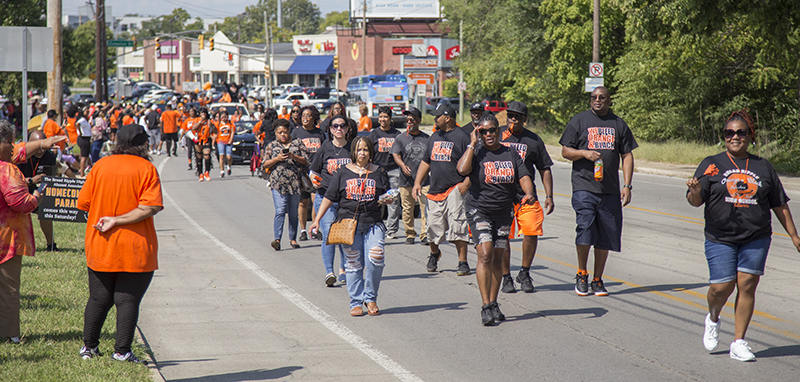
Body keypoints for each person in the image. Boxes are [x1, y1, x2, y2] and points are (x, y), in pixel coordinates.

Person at [686, 110, 800, 362]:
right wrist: (695, 191)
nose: (735, 137)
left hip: (756, 236)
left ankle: (739, 341)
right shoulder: (711, 164)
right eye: (729, 133)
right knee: (720, 287)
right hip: (720, 237)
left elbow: (779, 203)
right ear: (724, 137)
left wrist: (794, 235)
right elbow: (695, 201)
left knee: (747, 285)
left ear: (750, 136)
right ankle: (713, 318)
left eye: (741, 132)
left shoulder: (763, 166)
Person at [77, 123, 162, 363]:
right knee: (127, 299)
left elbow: (83, 203)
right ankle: (122, 351)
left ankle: (88, 347)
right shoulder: (147, 169)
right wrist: (118, 219)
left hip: (100, 242)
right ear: (142, 144)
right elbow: (151, 207)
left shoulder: (100, 166)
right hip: (135, 245)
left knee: (98, 298)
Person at [457, 113, 535, 325]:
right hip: (479, 209)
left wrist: (528, 193)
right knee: (485, 254)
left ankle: (493, 302)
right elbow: (462, 169)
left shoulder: (510, 153)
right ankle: (485, 306)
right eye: (483, 131)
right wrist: (472, 145)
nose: (489, 134)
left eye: (492, 130)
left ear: (499, 131)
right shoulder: (476, 152)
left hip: (503, 211)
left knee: (498, 258)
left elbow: (524, 176)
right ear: (478, 132)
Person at [559, 86, 638, 296]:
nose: (597, 100)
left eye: (602, 97)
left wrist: (627, 185)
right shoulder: (579, 120)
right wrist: (583, 153)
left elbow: (627, 155)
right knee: (585, 229)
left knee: (607, 235)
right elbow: (565, 151)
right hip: (584, 187)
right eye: (594, 97)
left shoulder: (618, 124)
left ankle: (597, 279)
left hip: (610, 190)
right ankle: (582, 273)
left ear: (609, 100)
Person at [309, 136, 393, 317]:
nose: (362, 153)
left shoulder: (379, 172)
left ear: (371, 152)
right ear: (353, 152)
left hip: (373, 223)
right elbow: (330, 196)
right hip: (348, 224)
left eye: (365, 150)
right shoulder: (342, 172)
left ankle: (370, 298)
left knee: (376, 258)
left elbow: (387, 194)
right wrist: (316, 220)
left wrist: (389, 199)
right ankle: (356, 301)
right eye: (359, 149)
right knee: (353, 264)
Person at [497, 101, 554, 294]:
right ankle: (506, 277)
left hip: (526, 197)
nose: (513, 119)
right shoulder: (496, 135)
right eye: (510, 115)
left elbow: (544, 168)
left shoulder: (533, 140)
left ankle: (524, 272)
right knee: (503, 237)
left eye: (518, 116)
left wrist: (549, 195)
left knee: (531, 231)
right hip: (500, 196)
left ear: (524, 119)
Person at [0, 120, 46, 344]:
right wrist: (38, 195)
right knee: (8, 289)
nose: (12, 147)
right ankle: (10, 335)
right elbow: (20, 203)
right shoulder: (7, 169)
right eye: (9, 142)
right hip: (6, 240)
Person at [413, 102, 472, 275]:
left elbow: (474, 164)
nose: (434, 118)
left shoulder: (463, 137)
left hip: (455, 188)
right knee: (432, 227)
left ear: (447, 118)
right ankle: (434, 253)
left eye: (437, 116)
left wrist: (466, 183)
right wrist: (417, 183)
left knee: (458, 226)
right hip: (435, 190)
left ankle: (462, 262)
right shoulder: (435, 136)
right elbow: (426, 161)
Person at [310, 115, 352, 286]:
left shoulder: (353, 148)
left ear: (347, 128)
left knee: (342, 236)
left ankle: (343, 268)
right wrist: (313, 178)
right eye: (335, 126)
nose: (339, 129)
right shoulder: (325, 148)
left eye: (342, 126)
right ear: (330, 129)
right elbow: (313, 170)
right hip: (325, 196)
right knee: (328, 234)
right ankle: (329, 272)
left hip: (346, 198)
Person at [263, 119, 309, 251]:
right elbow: (265, 164)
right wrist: (277, 159)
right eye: (279, 132)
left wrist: (293, 156)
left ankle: (293, 238)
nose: (282, 134)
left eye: (285, 132)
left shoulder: (297, 143)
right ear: (275, 133)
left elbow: (306, 160)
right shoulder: (271, 146)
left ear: (289, 131)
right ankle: (277, 239)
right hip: (278, 184)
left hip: (294, 183)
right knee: (280, 210)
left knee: (293, 213)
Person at [391, 106, 430, 245]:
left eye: (412, 119)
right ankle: (410, 233)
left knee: (426, 208)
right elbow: (395, 154)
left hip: (425, 181)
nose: (409, 121)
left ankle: (424, 234)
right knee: (407, 209)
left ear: (418, 120)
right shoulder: (400, 138)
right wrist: (402, 165)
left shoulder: (427, 138)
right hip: (406, 180)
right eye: (407, 119)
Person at [17, 130, 60, 251]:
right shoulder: (21, 156)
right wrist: (31, 180)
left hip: (39, 190)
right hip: (20, 189)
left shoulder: (50, 156)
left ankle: (51, 245)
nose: (40, 150)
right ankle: (19, 245)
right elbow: (13, 179)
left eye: (43, 146)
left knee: (45, 213)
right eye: (37, 146)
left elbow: (52, 177)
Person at [369, 106, 402, 238]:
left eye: (385, 117)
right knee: (378, 201)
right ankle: (377, 228)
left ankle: (391, 230)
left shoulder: (397, 134)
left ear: (390, 118)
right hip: (378, 171)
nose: (383, 119)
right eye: (381, 116)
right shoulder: (374, 134)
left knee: (393, 201)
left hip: (394, 170)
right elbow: (369, 153)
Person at [293, 106, 325, 241]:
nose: (305, 118)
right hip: (302, 172)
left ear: (314, 118)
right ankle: (303, 230)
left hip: (316, 171)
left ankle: (314, 228)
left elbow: (325, 152)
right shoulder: (296, 132)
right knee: (303, 202)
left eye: (308, 115)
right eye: (303, 115)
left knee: (316, 200)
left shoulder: (320, 134)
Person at [194, 108, 217, 182]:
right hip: (198, 139)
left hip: (207, 139)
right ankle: (200, 173)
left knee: (207, 156)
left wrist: (211, 126)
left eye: (204, 113)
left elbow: (215, 130)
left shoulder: (209, 121)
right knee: (199, 157)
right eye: (201, 113)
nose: (203, 115)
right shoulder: (197, 120)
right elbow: (193, 128)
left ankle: (207, 172)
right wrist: (200, 121)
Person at [216, 110, 235, 178]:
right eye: (223, 117)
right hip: (220, 141)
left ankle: (229, 166)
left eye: (225, 117)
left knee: (229, 157)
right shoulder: (218, 124)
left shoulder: (230, 123)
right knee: (221, 156)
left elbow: (232, 132)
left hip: (228, 141)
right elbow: (215, 132)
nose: (224, 118)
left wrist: (230, 140)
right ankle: (222, 171)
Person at [76, 107, 93, 177]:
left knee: (85, 155)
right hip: (84, 138)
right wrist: (80, 132)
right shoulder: (82, 119)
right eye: (86, 111)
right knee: (84, 156)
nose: (87, 112)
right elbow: (77, 124)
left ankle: (90, 166)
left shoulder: (85, 120)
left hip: (85, 138)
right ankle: (82, 172)